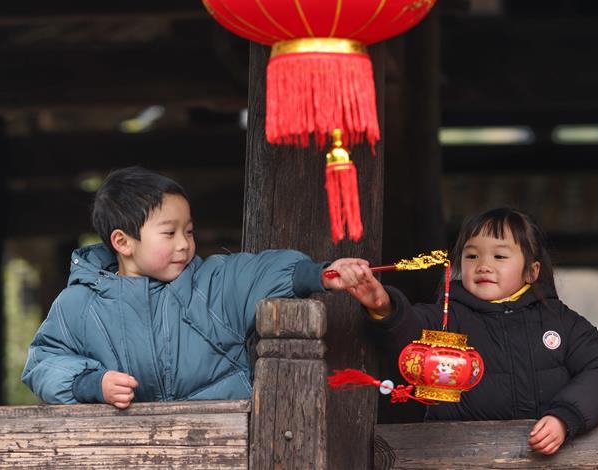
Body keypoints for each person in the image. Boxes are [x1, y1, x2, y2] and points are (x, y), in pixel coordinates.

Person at [22, 166, 369, 408]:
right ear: (123, 242)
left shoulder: (212, 283)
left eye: (188, 231)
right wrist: (91, 384)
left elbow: (261, 272)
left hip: (223, 446)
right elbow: (43, 362)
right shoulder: (80, 304)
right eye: (169, 233)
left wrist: (320, 274)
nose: (184, 244)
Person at [345, 207, 598, 456]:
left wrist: (565, 418)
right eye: (472, 255)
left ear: (532, 271)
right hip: (458, 458)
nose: (483, 265)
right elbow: (405, 334)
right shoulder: (444, 318)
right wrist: (383, 305)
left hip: (545, 458)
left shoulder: (560, 322)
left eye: (500, 255)